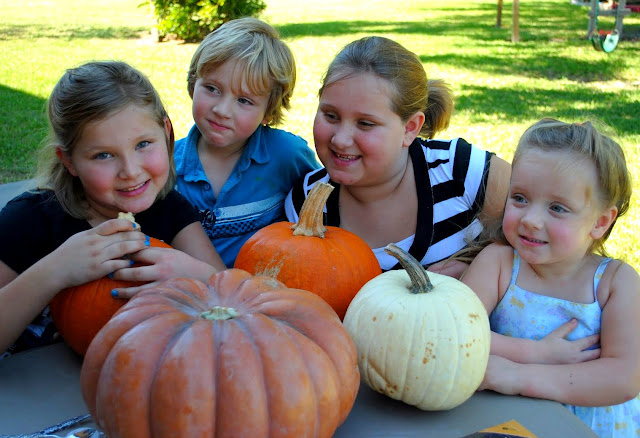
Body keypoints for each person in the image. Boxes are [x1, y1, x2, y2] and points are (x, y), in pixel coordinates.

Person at [0, 60, 226, 357]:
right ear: (69, 161)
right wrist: (56, 270)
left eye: (143, 144)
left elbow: (238, 299)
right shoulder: (28, 220)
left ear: (167, 133)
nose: (130, 171)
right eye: (103, 155)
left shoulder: (170, 210)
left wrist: (198, 275)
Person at [461, 118, 640, 437]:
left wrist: (517, 376)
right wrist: (534, 354)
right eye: (520, 198)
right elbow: (453, 332)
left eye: (557, 208)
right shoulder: (499, 264)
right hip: (503, 420)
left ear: (600, 222)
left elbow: (623, 377)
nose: (531, 219)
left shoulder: (615, 282)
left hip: (588, 427)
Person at [284, 36, 511, 276]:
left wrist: (479, 266)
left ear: (410, 128)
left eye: (365, 123)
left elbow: (535, 242)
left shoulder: (464, 173)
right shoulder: (306, 205)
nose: (340, 139)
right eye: (331, 116)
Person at [174, 17, 320, 268]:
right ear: (193, 84)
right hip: (179, 286)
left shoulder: (286, 155)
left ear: (268, 112)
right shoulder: (166, 164)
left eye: (244, 101)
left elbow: (321, 201)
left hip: (261, 286)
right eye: (212, 88)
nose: (222, 110)